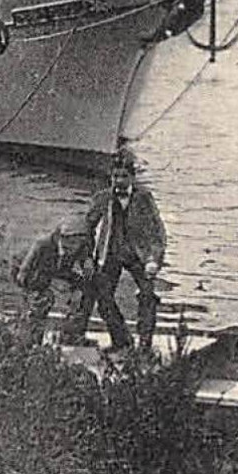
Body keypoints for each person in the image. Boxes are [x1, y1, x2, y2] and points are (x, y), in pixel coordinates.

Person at [61, 148, 168, 353]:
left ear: (132, 177)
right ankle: (122, 341)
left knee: (147, 295)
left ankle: (145, 344)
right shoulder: (102, 198)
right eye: (115, 176)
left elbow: (157, 232)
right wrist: (88, 259)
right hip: (110, 254)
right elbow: (86, 230)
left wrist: (153, 259)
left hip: (139, 255)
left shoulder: (144, 198)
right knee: (104, 297)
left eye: (123, 176)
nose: (118, 181)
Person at [14, 215, 93, 349]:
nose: (75, 248)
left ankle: (71, 335)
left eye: (79, 244)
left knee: (84, 296)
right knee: (41, 301)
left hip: (58, 271)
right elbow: (23, 274)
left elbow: (87, 266)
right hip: (34, 273)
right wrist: (39, 290)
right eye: (72, 243)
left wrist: (81, 285)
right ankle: (28, 340)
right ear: (62, 238)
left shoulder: (81, 248)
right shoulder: (42, 245)